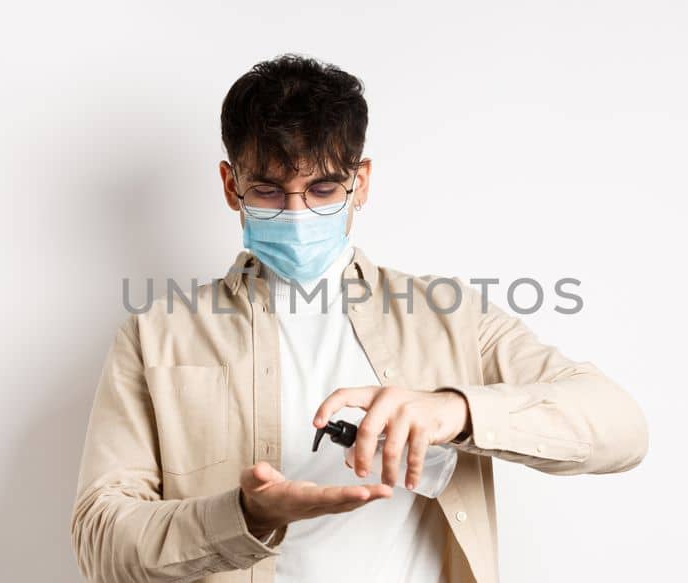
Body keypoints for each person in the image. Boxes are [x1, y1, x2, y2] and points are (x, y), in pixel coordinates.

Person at [70, 53, 648, 583]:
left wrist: (456, 410)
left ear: (361, 182)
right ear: (230, 186)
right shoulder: (156, 335)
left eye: (323, 188)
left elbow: (621, 429)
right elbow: (101, 544)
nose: (297, 213)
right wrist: (244, 515)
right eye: (268, 192)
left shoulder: (449, 316)